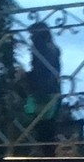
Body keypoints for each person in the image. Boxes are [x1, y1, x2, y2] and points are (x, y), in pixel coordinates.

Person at [25, 22, 62, 153]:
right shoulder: (53, 48)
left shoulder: (40, 47)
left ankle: (44, 154)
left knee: (41, 127)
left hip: (42, 92)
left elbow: (40, 71)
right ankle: (49, 153)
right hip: (53, 90)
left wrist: (25, 76)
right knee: (48, 127)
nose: (30, 39)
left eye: (31, 35)